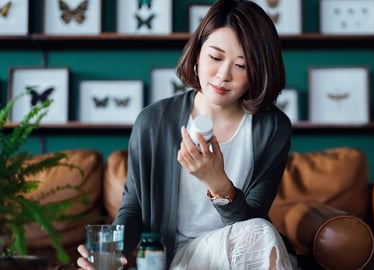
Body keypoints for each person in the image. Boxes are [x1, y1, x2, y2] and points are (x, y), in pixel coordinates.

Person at [77, 0, 294, 269]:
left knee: (259, 231)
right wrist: (113, 253)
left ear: (259, 71)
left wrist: (218, 185)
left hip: (240, 252)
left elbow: (253, 217)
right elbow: (133, 208)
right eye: (215, 58)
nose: (223, 75)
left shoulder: (272, 128)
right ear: (198, 52)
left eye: (241, 66)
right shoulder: (153, 122)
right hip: (175, 257)